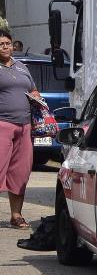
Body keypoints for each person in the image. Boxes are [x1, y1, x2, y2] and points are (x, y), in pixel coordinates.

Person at [0, 29, 35, 229]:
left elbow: (32, 89)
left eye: (8, 43)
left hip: (24, 126)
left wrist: (36, 97)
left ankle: (16, 215)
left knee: (20, 172)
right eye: (1, 44)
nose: (5, 46)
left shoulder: (22, 67)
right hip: (2, 124)